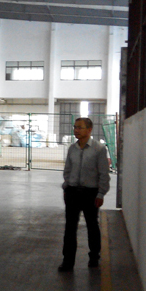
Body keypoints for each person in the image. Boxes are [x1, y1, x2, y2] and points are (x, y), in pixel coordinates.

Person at [58, 117, 111, 272]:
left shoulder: (99, 149)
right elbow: (67, 170)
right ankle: (68, 261)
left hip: (90, 194)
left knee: (92, 225)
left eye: (80, 127)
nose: (76, 130)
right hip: (73, 192)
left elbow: (103, 174)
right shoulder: (72, 149)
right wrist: (66, 187)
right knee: (70, 227)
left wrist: (101, 194)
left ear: (89, 130)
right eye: (75, 127)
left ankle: (94, 257)